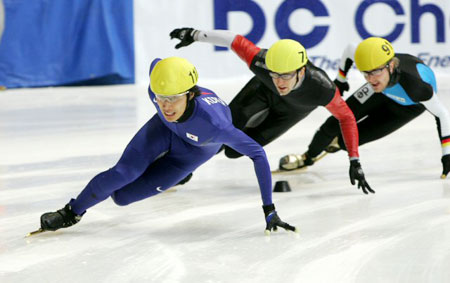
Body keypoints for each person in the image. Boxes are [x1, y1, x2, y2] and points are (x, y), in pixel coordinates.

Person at [38, 56, 296, 235]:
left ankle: (181, 176)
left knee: (122, 197)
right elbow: (157, 65)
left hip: (192, 152)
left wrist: (269, 209)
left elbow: (258, 155)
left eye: (173, 99)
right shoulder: (158, 91)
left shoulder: (216, 125)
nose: (166, 106)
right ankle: (71, 212)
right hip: (162, 130)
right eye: (161, 98)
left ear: (190, 94)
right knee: (122, 174)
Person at [170, 27, 373, 194]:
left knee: (234, 151)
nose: (279, 82)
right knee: (221, 133)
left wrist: (354, 160)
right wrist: (193, 34)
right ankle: (184, 167)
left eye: (285, 76)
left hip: (291, 112)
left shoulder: (321, 88)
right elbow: (234, 40)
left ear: (301, 71)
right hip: (261, 92)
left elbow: (346, 118)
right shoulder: (262, 63)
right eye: (274, 75)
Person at [298, 37, 450, 178]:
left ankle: (338, 144)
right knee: (333, 123)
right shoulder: (376, 77)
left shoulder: (417, 87)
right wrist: (340, 80)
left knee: (348, 141)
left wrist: (447, 154)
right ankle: (307, 157)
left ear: (391, 66)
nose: (370, 78)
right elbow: (351, 49)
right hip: (379, 91)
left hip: (407, 107)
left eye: (376, 71)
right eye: (365, 73)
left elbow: (442, 114)